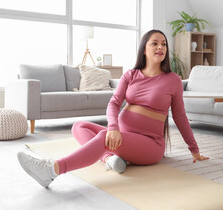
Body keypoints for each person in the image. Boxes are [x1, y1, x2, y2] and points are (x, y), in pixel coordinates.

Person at [17, 29, 209, 188]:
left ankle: (51, 170)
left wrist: (194, 149)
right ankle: (110, 159)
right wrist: (114, 127)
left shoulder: (173, 80)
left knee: (102, 137)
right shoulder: (131, 75)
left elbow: (181, 116)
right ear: (144, 49)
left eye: (164, 44)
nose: (161, 47)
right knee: (79, 126)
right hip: (123, 135)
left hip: (150, 144)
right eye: (155, 43)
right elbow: (114, 103)